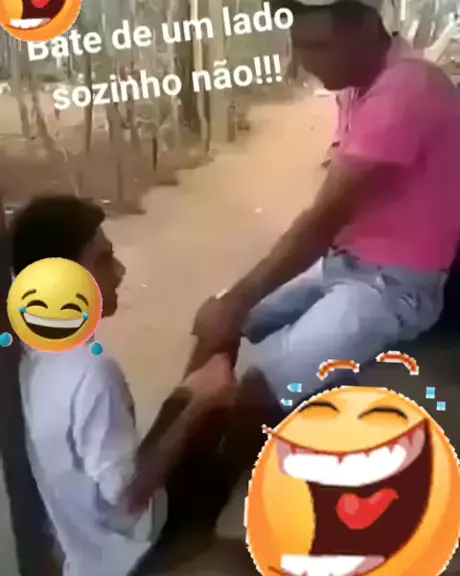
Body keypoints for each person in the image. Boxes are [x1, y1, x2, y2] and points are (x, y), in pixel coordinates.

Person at [189, 0, 460, 412]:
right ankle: (172, 434)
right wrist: (232, 304)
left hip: (393, 286)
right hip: (346, 262)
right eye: (299, 46)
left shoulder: (408, 88)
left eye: (319, 46)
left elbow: (322, 221)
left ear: (365, 28)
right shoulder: (359, 86)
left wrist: (238, 301)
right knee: (216, 320)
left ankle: (217, 449)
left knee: (261, 380)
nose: (306, 62)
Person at [9, 195, 240, 576]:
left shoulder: (35, 356)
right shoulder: (91, 373)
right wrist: (199, 404)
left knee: (211, 355)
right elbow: (127, 499)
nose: (119, 271)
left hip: (90, 549)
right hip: (133, 554)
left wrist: (190, 395)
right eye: (103, 260)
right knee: (245, 555)